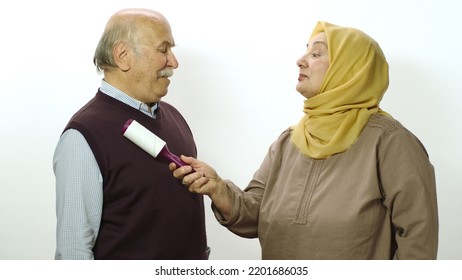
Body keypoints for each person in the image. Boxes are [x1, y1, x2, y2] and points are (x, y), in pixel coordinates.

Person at [171, 21, 438, 259]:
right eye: (306, 50)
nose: (301, 60)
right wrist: (218, 188)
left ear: (351, 68)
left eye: (317, 53)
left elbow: (418, 238)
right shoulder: (289, 142)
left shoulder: (390, 141)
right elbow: (255, 214)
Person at [53, 8, 208, 260]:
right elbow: (73, 251)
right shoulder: (83, 137)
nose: (174, 62)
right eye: (163, 49)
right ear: (123, 56)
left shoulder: (175, 119)